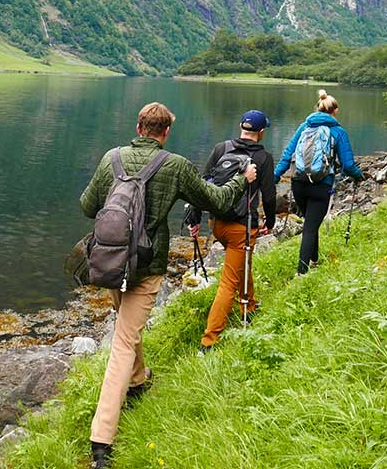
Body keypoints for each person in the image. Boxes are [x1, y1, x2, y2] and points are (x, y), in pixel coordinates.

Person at [79, 102, 257, 469]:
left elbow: (87, 206)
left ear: (139, 126)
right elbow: (219, 200)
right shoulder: (174, 165)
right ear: (166, 132)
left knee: (128, 331)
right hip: (147, 264)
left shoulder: (112, 157)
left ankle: (139, 380)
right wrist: (244, 179)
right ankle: (102, 443)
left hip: (111, 260)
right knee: (124, 341)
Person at [186, 110, 276, 354]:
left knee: (240, 264)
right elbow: (269, 195)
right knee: (228, 282)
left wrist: (194, 219)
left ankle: (250, 306)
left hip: (217, 224)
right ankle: (209, 342)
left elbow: (201, 185)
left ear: (240, 127)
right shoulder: (264, 158)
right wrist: (271, 220)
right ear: (261, 132)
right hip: (242, 226)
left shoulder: (220, 148)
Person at [274, 89, 363, 275]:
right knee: (310, 228)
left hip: (298, 184)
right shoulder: (338, 132)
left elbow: (287, 155)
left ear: (317, 108)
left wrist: (274, 177)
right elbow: (348, 164)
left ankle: (314, 260)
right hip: (321, 186)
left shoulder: (303, 128)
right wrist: (358, 176)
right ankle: (302, 273)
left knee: (310, 223)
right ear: (335, 111)